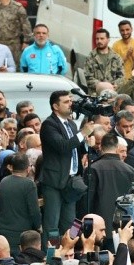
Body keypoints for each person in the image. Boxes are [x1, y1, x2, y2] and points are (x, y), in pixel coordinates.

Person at [39, 90, 94, 236]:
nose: (71, 104)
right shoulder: (48, 124)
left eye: (71, 100)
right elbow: (63, 146)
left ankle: (69, 251)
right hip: (54, 181)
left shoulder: (71, 124)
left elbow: (77, 148)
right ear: (55, 106)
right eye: (66, 102)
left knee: (72, 222)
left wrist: (87, 144)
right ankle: (50, 255)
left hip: (71, 180)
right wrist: (83, 133)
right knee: (52, 223)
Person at [87, 132, 134, 237]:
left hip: (99, 228)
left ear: (101, 147)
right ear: (116, 148)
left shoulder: (92, 168)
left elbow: (88, 200)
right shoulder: (131, 171)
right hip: (124, 226)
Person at [0, 152, 41, 253]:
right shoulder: (29, 185)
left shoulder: (3, 181)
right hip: (20, 234)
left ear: (12, 167)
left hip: (2, 230)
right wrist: (38, 226)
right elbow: (34, 211)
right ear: (28, 168)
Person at [0, 0, 31, 65]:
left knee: (15, 66)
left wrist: (26, 42)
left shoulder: (18, 8)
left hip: (14, 44)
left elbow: (26, 25)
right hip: (0, 44)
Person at [84, 28, 124, 93]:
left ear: (108, 39)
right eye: (97, 39)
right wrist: (102, 86)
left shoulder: (116, 57)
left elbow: (121, 77)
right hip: (95, 95)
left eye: (102, 38)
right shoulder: (90, 57)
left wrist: (113, 85)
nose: (99, 41)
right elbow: (88, 77)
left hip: (112, 94)